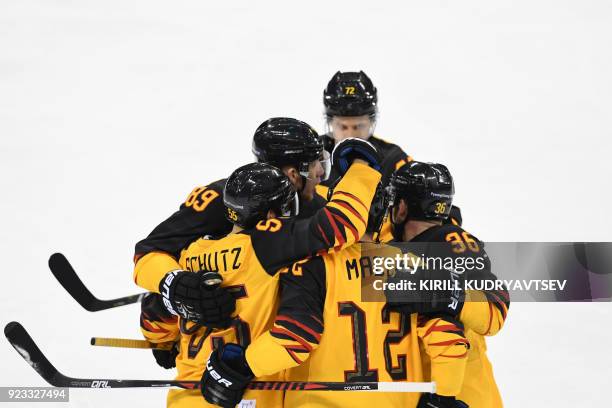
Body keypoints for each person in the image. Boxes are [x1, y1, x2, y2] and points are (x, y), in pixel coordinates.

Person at [203, 162, 508, 408]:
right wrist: (443, 398)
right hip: (435, 393)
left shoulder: (312, 263)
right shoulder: (413, 265)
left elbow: (294, 337)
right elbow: (450, 338)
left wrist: (242, 365)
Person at [143, 137, 383, 407]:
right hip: (249, 395)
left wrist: (162, 343)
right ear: (271, 215)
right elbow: (340, 224)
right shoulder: (270, 244)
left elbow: (154, 310)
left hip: (186, 396)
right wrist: (361, 166)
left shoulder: (189, 254)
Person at [135, 117, 330, 368]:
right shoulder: (219, 199)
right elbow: (147, 254)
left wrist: (395, 284)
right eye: (315, 164)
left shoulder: (319, 200)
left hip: (288, 349)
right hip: (244, 351)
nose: (321, 173)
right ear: (293, 174)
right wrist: (178, 287)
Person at [384, 162, 510, 408]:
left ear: (401, 207)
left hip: (458, 395)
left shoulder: (446, 247)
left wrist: (448, 296)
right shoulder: (396, 244)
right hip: (433, 390)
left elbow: (495, 314)